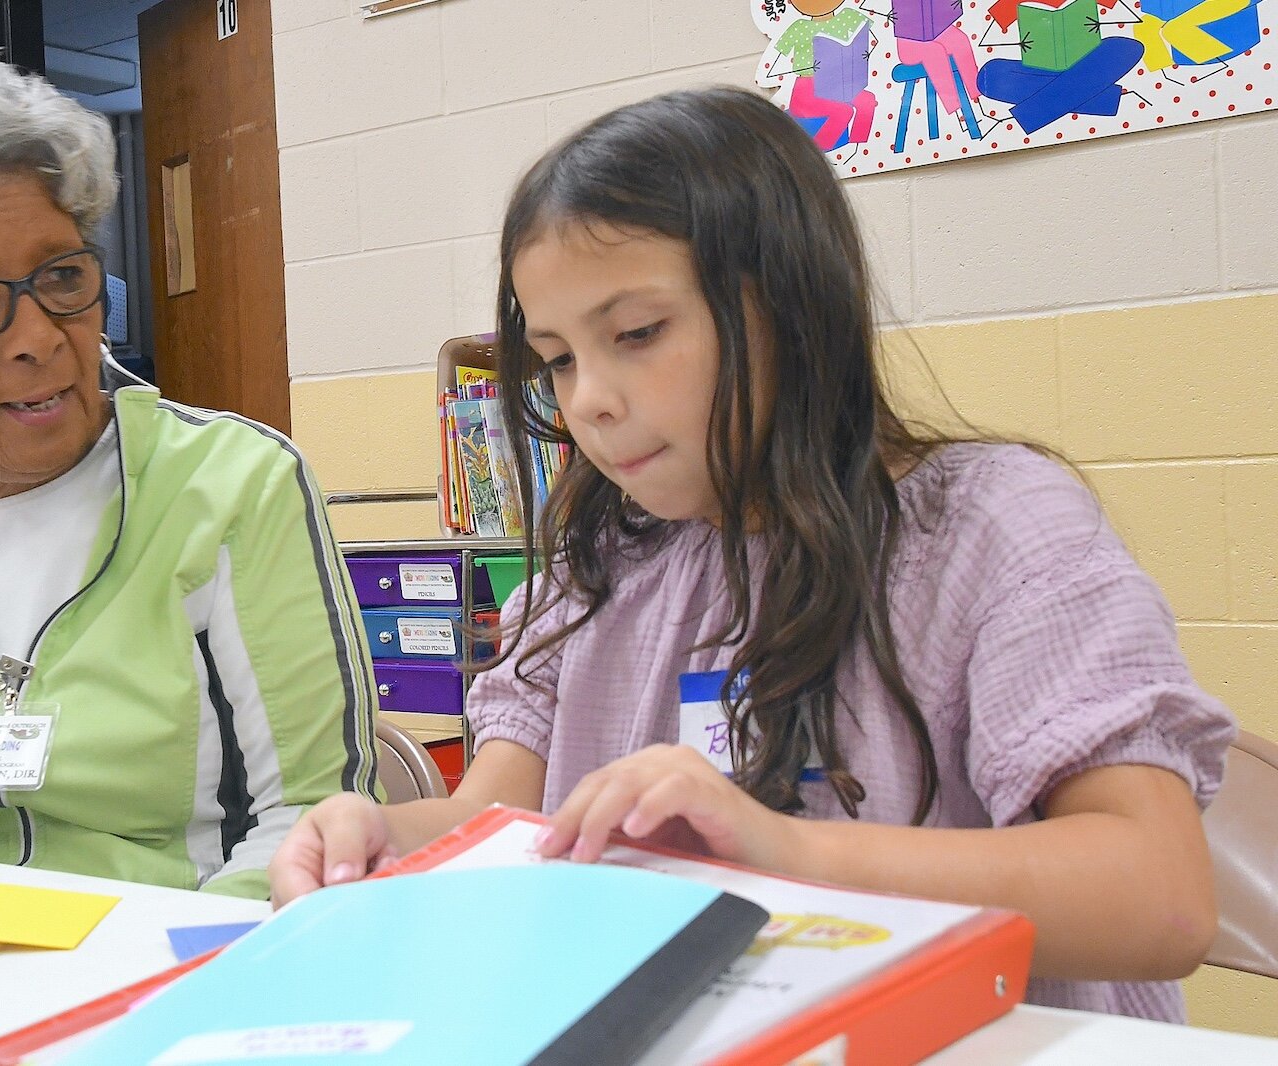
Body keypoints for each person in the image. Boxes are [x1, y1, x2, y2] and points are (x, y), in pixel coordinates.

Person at [270, 86, 1235, 1017]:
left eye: (638, 333)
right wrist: (381, 837)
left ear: (792, 307)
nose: (589, 399)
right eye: (560, 358)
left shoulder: (992, 532)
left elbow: (1158, 899)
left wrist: (778, 851)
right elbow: (501, 823)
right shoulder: (596, 561)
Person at [0, 50, 379, 900]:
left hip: (166, 977)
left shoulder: (231, 488)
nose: (40, 336)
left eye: (60, 277)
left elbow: (311, 819)